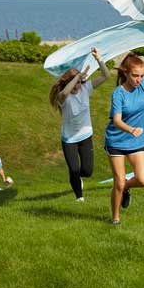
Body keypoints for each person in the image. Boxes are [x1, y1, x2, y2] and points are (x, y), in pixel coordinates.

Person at [105, 18, 144, 224]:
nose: (140, 79)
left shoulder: (143, 86)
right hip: (117, 140)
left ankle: (127, 190)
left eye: (141, 75)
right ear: (126, 73)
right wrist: (131, 129)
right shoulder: (118, 93)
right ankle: (115, 219)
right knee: (119, 182)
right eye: (135, 75)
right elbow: (116, 121)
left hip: (136, 142)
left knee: (142, 180)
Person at [49, 48, 110, 201]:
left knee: (87, 171)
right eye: (73, 83)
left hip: (85, 135)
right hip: (69, 138)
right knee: (74, 169)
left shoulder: (85, 88)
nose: (76, 87)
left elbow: (106, 75)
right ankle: (79, 198)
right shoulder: (63, 97)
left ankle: (78, 178)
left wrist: (99, 58)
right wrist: (76, 77)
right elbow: (64, 93)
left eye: (77, 83)